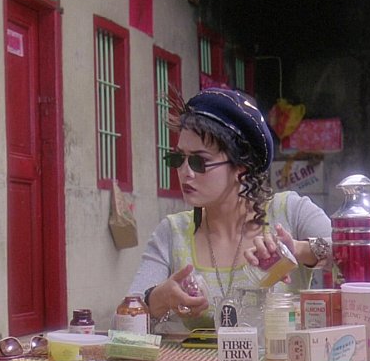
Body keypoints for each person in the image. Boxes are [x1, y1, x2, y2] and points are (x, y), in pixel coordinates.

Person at [128, 88, 332, 333]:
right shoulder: (172, 232)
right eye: (178, 159)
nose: (185, 172)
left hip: (280, 358)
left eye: (199, 161)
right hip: (194, 360)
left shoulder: (289, 211)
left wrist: (299, 250)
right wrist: (159, 300)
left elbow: (356, 254)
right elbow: (125, 321)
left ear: (241, 167)